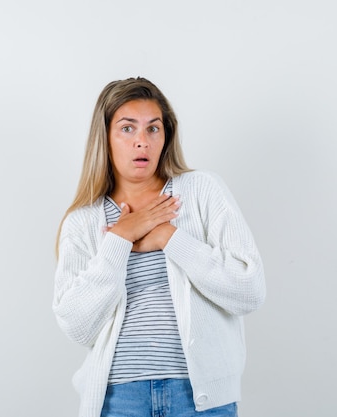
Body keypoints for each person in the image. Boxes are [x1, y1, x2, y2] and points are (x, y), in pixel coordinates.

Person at [53, 77, 265, 417]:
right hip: (118, 400)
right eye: (127, 128)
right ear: (105, 137)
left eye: (153, 129)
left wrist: (168, 238)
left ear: (166, 136)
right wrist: (120, 238)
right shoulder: (84, 222)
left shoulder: (202, 191)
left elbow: (249, 290)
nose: (142, 142)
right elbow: (77, 325)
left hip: (199, 398)